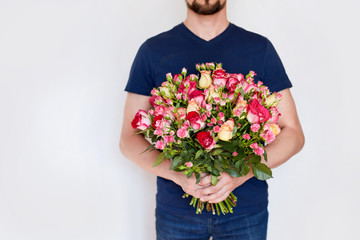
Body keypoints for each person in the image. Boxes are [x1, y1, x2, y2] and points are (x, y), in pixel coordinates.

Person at [120, 0, 305, 239]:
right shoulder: (153, 50)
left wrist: (242, 173)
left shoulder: (260, 49)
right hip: (176, 213)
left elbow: (293, 134)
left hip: (246, 213)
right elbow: (128, 138)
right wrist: (179, 175)